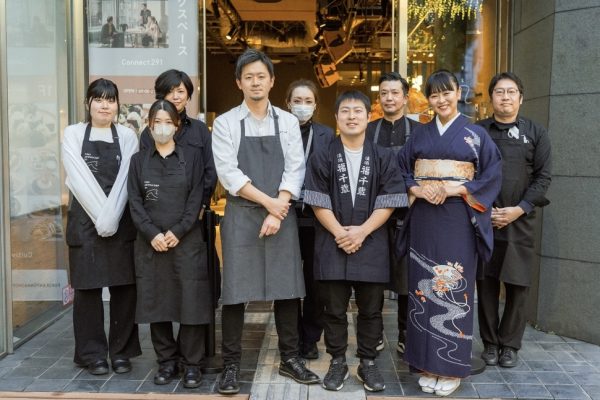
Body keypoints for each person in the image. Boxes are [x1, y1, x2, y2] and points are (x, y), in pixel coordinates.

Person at [212, 49, 319, 395]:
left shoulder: (287, 121)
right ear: (239, 82)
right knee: (235, 292)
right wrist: (270, 204)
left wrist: (279, 207)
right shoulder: (227, 123)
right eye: (249, 77)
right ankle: (231, 364)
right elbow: (229, 174)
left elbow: (295, 167)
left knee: (286, 287)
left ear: (272, 81)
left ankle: (290, 357)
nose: (255, 82)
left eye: (261, 76)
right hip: (243, 215)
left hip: (281, 214)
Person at [397, 70, 502, 396]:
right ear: (428, 99)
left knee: (454, 288)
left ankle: (452, 368)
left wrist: (457, 190)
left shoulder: (475, 135)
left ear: (458, 93)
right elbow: (402, 168)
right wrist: (418, 187)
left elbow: (492, 175)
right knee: (423, 290)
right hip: (425, 219)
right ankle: (427, 364)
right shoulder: (419, 135)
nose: (441, 100)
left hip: (458, 219)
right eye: (434, 95)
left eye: (447, 93)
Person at [304, 90, 407, 392]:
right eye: (345, 111)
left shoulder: (383, 156)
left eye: (358, 111)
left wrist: (361, 232)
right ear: (336, 118)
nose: (351, 116)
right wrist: (340, 232)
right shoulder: (322, 154)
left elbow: (390, 199)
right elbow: (316, 200)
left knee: (371, 310)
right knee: (333, 310)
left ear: (367, 117)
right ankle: (337, 361)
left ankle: (368, 362)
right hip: (331, 241)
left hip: (371, 243)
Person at [128, 100, 210, 388]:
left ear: (177, 125)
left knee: (191, 304)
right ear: (149, 126)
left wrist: (178, 230)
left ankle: (192, 364)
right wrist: (152, 234)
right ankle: (166, 362)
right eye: (156, 122)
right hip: (151, 245)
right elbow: (135, 203)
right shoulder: (138, 161)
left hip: (186, 242)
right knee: (157, 304)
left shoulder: (192, 158)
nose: (162, 127)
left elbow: (196, 199)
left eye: (167, 122)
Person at [62, 78, 141, 375]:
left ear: (118, 105)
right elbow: (78, 179)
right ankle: (92, 353)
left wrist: (111, 217)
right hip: (85, 223)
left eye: (110, 99)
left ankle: (121, 352)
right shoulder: (72, 134)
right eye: (98, 99)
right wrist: (101, 216)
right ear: (88, 104)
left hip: (121, 222)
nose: (105, 105)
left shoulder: (128, 136)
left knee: (124, 290)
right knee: (87, 292)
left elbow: (125, 183)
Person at [476, 72, 552, 368]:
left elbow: (543, 177)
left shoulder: (536, 132)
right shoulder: (479, 131)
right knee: (486, 282)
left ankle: (510, 345)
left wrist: (517, 209)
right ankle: (490, 343)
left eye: (511, 92)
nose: (505, 97)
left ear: (521, 97)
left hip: (520, 219)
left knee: (518, 284)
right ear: (491, 97)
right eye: (499, 92)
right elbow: (468, 173)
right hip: (485, 219)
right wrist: (485, 211)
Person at [366, 71, 421, 355]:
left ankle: (404, 332)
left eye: (394, 93)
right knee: (374, 277)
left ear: (405, 97)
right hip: (373, 214)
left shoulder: (419, 130)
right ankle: (373, 335)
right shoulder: (368, 130)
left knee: (405, 279)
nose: (389, 97)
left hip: (407, 214)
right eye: (384, 93)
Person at [285, 79, 335, 360]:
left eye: (308, 101)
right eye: (297, 101)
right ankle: (292, 336)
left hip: (316, 218)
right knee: (290, 282)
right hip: (286, 216)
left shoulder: (326, 135)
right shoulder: (278, 131)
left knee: (317, 283)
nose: (302, 107)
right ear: (287, 103)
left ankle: (311, 337)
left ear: (316, 105)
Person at [140, 69, 216, 215]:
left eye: (180, 91)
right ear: (161, 96)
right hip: (158, 210)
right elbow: (145, 173)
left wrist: (203, 203)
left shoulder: (200, 129)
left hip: (195, 210)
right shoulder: (149, 133)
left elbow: (210, 170)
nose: (175, 97)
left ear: (188, 96)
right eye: (170, 91)